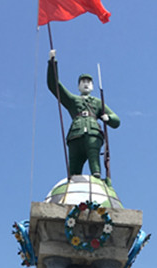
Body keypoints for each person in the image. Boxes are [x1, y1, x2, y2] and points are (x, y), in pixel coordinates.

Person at [47, 50, 120, 179]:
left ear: (92, 86)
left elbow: (116, 121)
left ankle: (97, 177)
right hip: (75, 135)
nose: (86, 84)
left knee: (95, 165)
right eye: (83, 82)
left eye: (89, 82)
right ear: (78, 86)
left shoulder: (97, 102)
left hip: (93, 134)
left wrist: (108, 118)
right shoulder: (73, 100)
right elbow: (54, 86)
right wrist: (52, 62)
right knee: (73, 172)